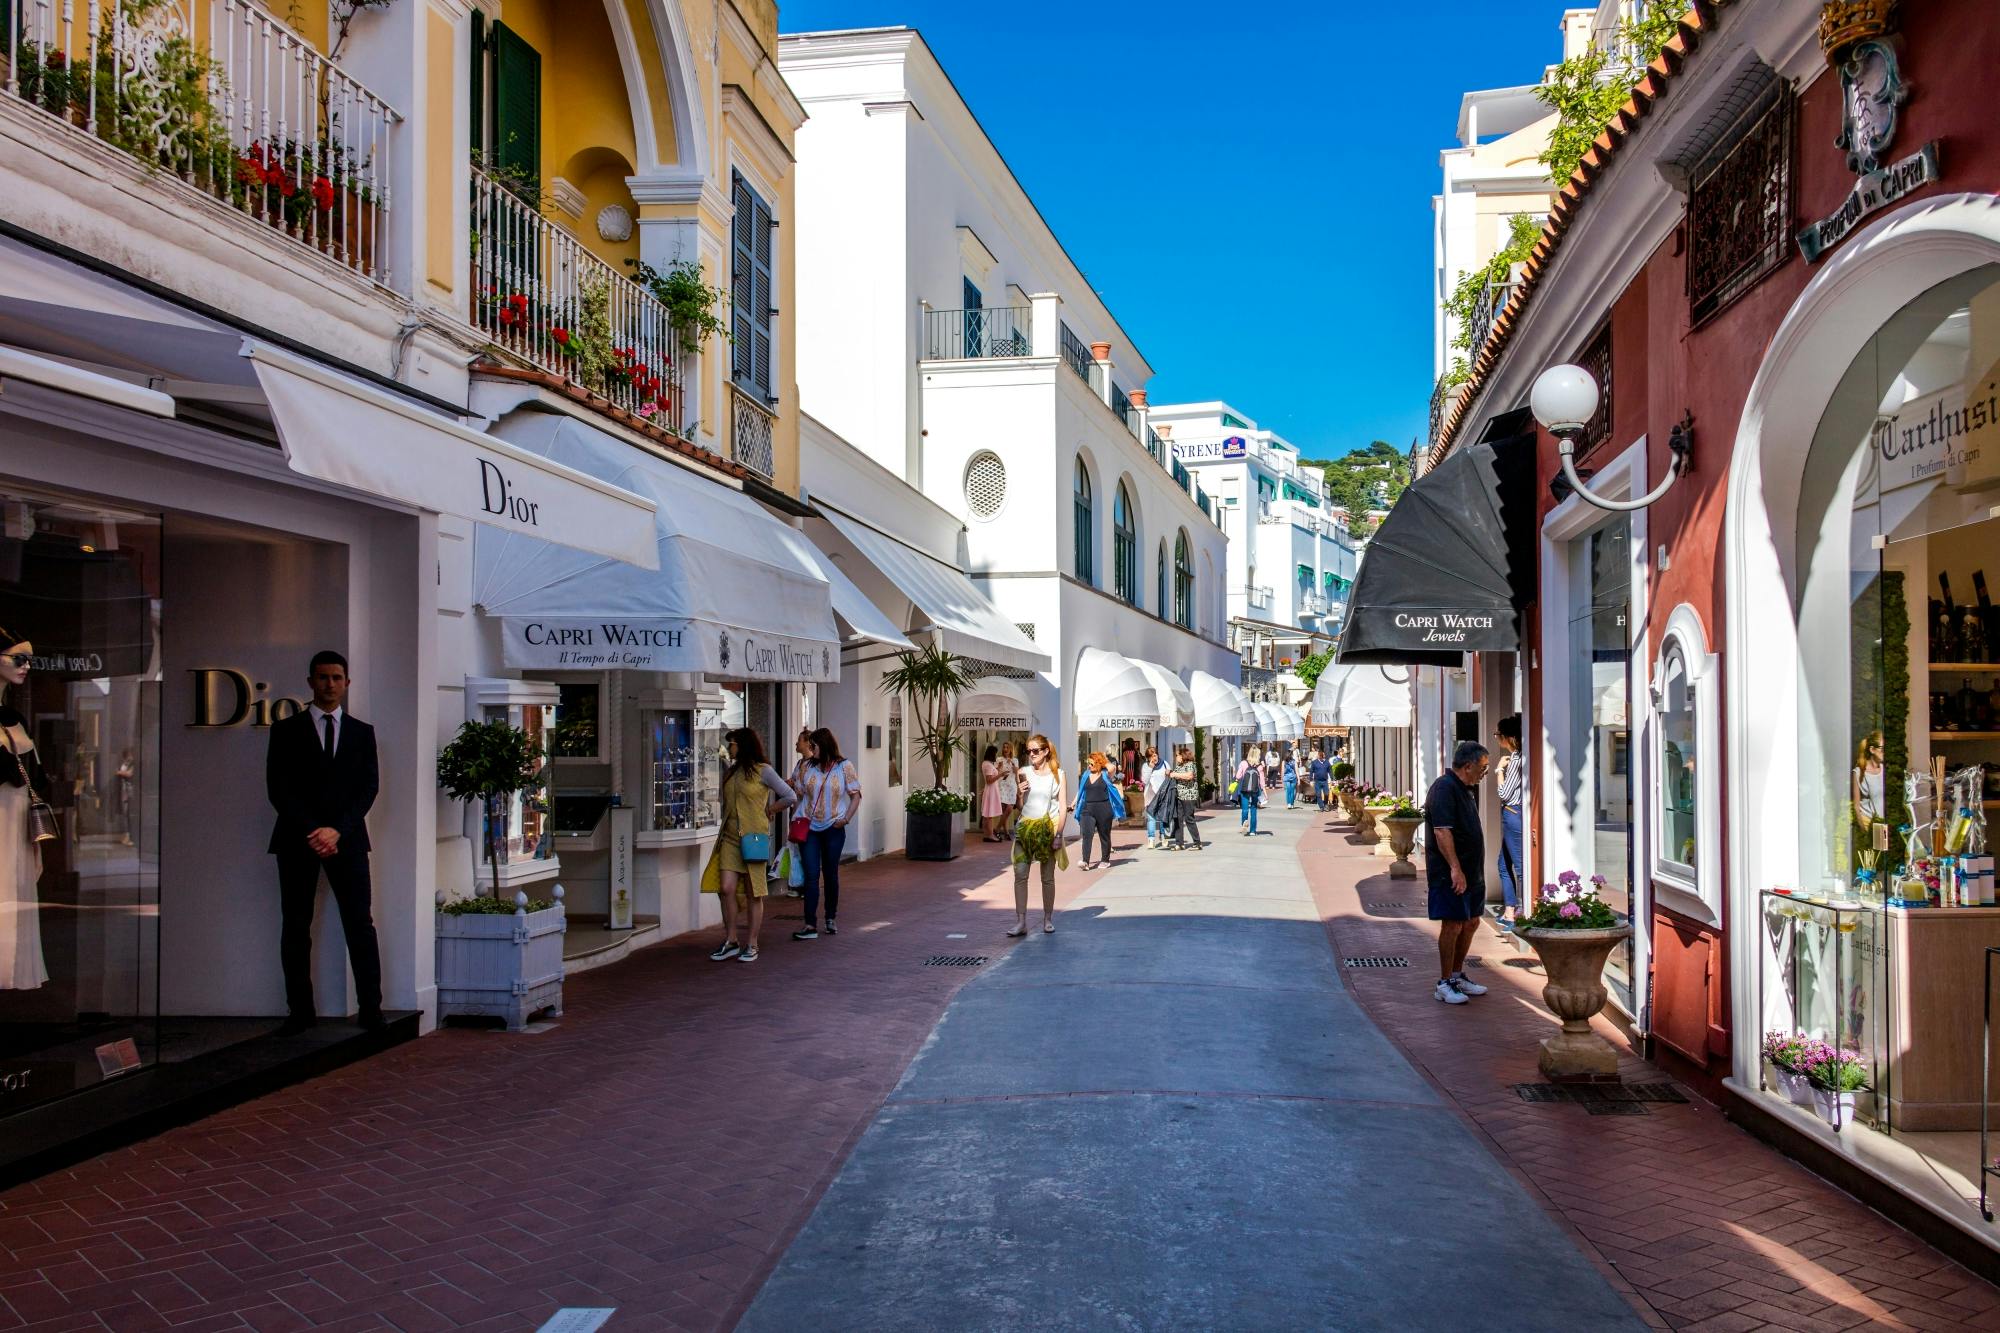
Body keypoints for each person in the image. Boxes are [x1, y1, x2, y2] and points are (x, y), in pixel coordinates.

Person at [265, 650, 383, 1035]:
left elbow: (368, 789)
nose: (329, 684)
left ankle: (371, 1009)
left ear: (347, 683)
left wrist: (338, 831)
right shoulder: (285, 731)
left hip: (348, 841)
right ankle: (299, 1012)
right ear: (310, 682)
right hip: (297, 841)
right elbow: (278, 789)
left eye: (336, 677)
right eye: (322, 677)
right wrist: (314, 830)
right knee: (295, 926)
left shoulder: (362, 733)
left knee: (360, 925)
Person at [704, 728, 795, 964]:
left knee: (755, 892)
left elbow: (789, 795)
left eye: (731, 744)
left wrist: (770, 810)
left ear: (741, 745)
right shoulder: (731, 771)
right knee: (726, 888)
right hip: (730, 837)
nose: (729, 748)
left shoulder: (763, 771)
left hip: (754, 838)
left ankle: (752, 943)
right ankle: (731, 939)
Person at [0, 626, 50, 992]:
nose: (25, 666)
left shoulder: (14, 717)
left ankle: (11, 972)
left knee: (14, 892)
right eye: (18, 659)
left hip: (15, 818)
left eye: (28, 660)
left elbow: (36, 776)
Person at [1425, 740, 1493, 1005]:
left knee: (1471, 922)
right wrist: (1455, 868)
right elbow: (1442, 830)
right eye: (1483, 768)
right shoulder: (1444, 789)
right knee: (1452, 924)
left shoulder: (1466, 789)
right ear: (1468, 765)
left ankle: (1456, 975)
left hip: (1472, 871)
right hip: (1451, 872)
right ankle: (1444, 982)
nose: (1484, 773)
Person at [792, 728, 860, 941]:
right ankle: (810, 923)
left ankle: (830, 917)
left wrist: (846, 818)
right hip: (810, 828)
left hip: (833, 827)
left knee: (830, 874)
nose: (811, 750)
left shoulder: (844, 767)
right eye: (810, 746)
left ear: (825, 745)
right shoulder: (807, 767)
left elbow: (856, 795)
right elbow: (799, 793)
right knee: (811, 875)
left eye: (814, 746)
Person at [1008, 734, 1066, 936]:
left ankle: (1047, 919)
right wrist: (1019, 794)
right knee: (1020, 874)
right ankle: (1021, 921)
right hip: (1025, 829)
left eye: (1035, 751)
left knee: (1047, 877)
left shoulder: (1058, 774)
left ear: (1045, 751)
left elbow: (1063, 808)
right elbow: (1020, 807)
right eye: (1028, 751)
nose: (1031, 754)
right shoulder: (1023, 772)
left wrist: (1059, 835)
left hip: (1047, 829)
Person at [1495, 715, 1527, 932]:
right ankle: (1509, 911)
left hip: (1513, 813)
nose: (1497, 738)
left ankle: (1521, 914)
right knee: (1503, 864)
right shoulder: (1520, 758)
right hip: (1513, 814)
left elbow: (1504, 793)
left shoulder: (1516, 760)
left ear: (1508, 737)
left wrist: (1499, 771)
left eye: (1498, 735)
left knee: (1519, 865)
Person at [1073, 752, 1125, 870]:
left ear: (1098, 763)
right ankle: (1085, 861)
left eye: (1091, 763)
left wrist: (1102, 761)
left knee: (1104, 835)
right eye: (1088, 763)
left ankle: (1105, 860)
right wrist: (1073, 804)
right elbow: (1080, 790)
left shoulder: (1106, 774)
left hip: (1104, 808)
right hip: (1087, 809)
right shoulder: (1086, 775)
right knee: (1087, 834)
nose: (1089, 765)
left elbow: (1112, 767)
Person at [1168, 744, 1205, 851]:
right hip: (1179, 795)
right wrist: (1170, 773)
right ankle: (1179, 843)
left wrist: (1175, 775)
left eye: (1177, 755)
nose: (1176, 758)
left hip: (1189, 795)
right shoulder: (1179, 766)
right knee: (1177, 819)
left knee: (1189, 818)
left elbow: (1189, 776)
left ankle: (1197, 843)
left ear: (1183, 756)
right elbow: (1174, 775)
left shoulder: (1190, 764)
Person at [1141, 745, 1170, 849]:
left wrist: (1168, 774)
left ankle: (1163, 837)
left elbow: (1169, 777)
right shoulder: (1145, 766)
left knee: (1163, 817)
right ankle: (1151, 839)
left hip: (1162, 794)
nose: (1154, 758)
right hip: (1150, 795)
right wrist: (1150, 768)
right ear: (1148, 758)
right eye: (1152, 756)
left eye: (1155, 755)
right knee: (1151, 818)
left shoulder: (1164, 764)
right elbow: (1145, 781)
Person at [1235, 746, 1264, 836]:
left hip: (1245, 789)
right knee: (1254, 809)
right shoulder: (1259, 766)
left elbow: (1238, 776)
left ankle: (1244, 822)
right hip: (1255, 790)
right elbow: (1262, 782)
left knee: (1244, 809)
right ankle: (1252, 831)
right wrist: (1265, 793)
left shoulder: (1243, 763)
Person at [979, 744, 1005, 841]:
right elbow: (989, 780)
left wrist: (998, 768)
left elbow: (990, 776)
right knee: (989, 814)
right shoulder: (987, 764)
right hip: (991, 791)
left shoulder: (987, 764)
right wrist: (1001, 774)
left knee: (987, 814)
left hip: (990, 790)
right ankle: (990, 835)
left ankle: (987, 835)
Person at [997, 741, 1020, 839]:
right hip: (1002, 785)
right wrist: (999, 767)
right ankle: (1006, 833)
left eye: (1007, 747)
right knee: (1003, 811)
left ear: (1011, 749)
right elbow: (996, 772)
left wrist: (1013, 763)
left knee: (1009, 809)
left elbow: (1016, 773)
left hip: (1012, 786)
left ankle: (997, 829)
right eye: (1004, 747)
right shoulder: (999, 759)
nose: (1005, 749)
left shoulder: (1015, 760)